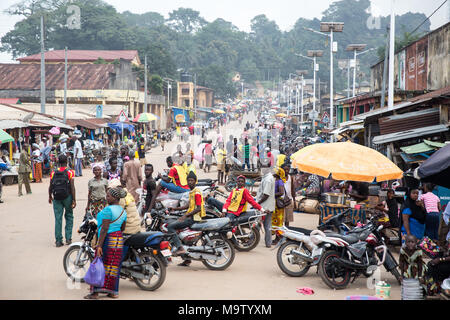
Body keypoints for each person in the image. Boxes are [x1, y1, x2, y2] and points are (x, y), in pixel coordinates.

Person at [84, 187, 127, 300]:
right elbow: (123, 227)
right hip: (118, 240)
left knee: (98, 263)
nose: (106, 198)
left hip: (108, 239)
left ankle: (95, 293)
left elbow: (104, 229)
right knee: (114, 266)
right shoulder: (123, 211)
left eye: (108, 196)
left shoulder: (108, 210)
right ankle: (113, 292)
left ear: (115, 198)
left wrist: (99, 245)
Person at [167, 171, 206, 258]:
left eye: (192, 180)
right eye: (188, 180)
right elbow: (189, 205)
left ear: (195, 181)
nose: (190, 182)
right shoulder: (192, 192)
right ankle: (186, 258)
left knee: (170, 227)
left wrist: (185, 216)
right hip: (190, 216)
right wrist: (175, 209)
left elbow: (198, 208)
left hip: (193, 218)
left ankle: (180, 247)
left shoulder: (196, 193)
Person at [48, 154, 76, 247]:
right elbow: (72, 186)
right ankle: (68, 238)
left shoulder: (53, 172)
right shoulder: (70, 172)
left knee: (58, 218)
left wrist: (49, 196)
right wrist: (74, 199)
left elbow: (51, 185)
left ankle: (58, 241)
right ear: (67, 162)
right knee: (69, 216)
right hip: (67, 197)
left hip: (56, 197)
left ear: (58, 162)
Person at [255, 167, 276, 247]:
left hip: (265, 207)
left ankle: (252, 240)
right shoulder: (267, 177)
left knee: (258, 224)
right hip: (267, 206)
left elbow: (266, 195)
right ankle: (268, 243)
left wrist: (257, 203)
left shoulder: (268, 179)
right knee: (266, 225)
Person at [281, 163, 295, 227]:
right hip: (280, 200)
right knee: (281, 219)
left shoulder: (290, 178)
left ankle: (286, 233)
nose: (286, 171)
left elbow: (292, 189)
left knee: (288, 219)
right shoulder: (279, 178)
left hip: (289, 200)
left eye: (288, 170)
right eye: (285, 170)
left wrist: (294, 200)